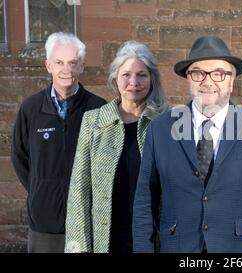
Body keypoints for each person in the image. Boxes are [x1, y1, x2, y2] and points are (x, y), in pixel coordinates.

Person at [132, 36, 242, 253]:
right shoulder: (160, 129)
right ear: (188, 78)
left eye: (219, 73)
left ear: (231, 81)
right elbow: (145, 203)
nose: (208, 81)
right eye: (198, 73)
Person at [64, 41, 168, 253]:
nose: (134, 82)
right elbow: (79, 191)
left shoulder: (167, 122)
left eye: (142, 75)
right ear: (115, 78)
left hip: (153, 238)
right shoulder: (93, 122)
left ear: (152, 79)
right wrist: (78, 247)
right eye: (126, 74)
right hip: (107, 239)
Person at [10, 32, 106, 253]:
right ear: (48, 65)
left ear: (81, 66)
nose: (66, 70)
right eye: (59, 62)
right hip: (45, 225)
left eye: (73, 63)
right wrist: (41, 188)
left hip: (86, 222)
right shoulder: (31, 108)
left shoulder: (98, 108)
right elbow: (19, 157)